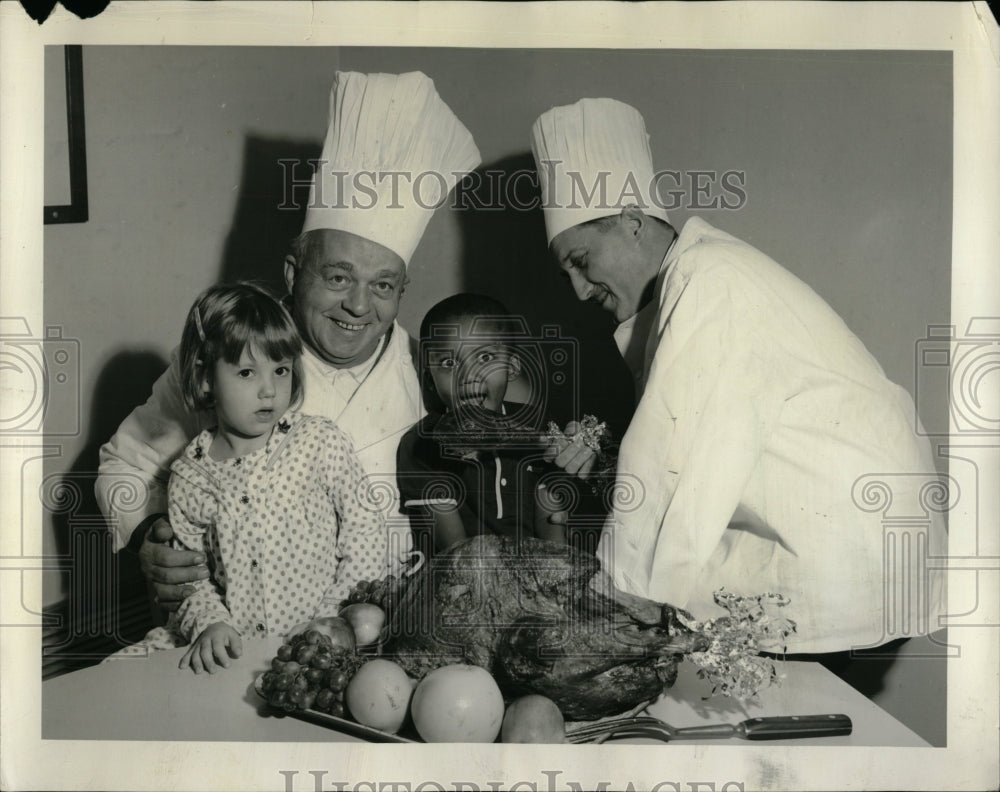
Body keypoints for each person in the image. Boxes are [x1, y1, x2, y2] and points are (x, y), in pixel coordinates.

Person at [530, 97, 947, 654]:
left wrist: (608, 617)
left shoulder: (711, 278)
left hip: (844, 562)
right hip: (862, 556)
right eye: (567, 276)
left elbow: (670, 474)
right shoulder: (704, 271)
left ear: (632, 222)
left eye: (581, 260)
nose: (579, 290)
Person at [96, 70, 481, 613]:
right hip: (242, 622)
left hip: (390, 620)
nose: (359, 307)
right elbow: (122, 465)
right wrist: (148, 535)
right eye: (339, 277)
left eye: (384, 286)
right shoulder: (234, 354)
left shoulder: (425, 368)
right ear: (293, 272)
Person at [118, 283, 388, 674]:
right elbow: (191, 580)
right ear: (205, 377)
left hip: (324, 644)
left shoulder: (318, 441)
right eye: (247, 372)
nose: (269, 390)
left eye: (280, 370)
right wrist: (210, 622)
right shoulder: (190, 477)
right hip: (236, 646)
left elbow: (365, 533)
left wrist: (332, 619)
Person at [396, 293, 570, 554]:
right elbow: (455, 549)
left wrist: (555, 570)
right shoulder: (422, 444)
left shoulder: (539, 425)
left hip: (536, 567)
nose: (467, 376)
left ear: (511, 367)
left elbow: (552, 526)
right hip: (465, 574)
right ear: (430, 381)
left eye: (485, 358)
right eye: (448, 363)